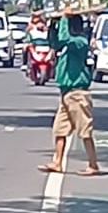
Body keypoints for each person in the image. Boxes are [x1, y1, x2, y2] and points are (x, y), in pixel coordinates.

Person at [43, 14, 100, 176]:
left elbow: (65, 38)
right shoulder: (68, 44)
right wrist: (53, 26)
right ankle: (57, 162)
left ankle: (93, 164)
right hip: (66, 93)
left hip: (78, 93)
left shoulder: (80, 42)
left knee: (84, 130)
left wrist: (64, 20)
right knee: (60, 130)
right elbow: (55, 43)